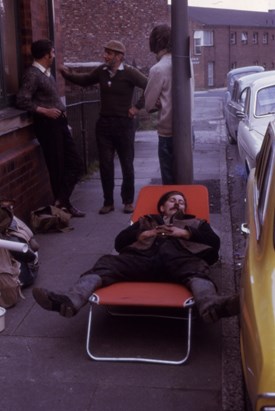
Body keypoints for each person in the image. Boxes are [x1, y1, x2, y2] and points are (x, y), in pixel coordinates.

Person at [32, 190, 239, 323]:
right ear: (162, 207)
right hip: (141, 259)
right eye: (172, 201)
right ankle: (71, 300)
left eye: (181, 202)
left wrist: (185, 233)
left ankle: (211, 306)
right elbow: (119, 243)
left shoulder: (196, 223)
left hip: (181, 260)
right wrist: (142, 234)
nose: (178, 204)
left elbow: (215, 244)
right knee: (106, 263)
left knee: (198, 272)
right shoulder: (146, 221)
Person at [59, 40, 147, 215]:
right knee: (105, 165)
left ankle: (128, 201)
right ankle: (108, 202)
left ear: (119, 56)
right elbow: (84, 80)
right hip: (104, 125)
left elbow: (150, 86)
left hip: (124, 124)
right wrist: (66, 74)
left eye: (109, 53)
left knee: (127, 164)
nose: (104, 56)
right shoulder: (101, 71)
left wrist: (137, 107)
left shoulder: (130, 73)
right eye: (105, 52)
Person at [16, 39, 85, 218]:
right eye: (53, 53)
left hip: (59, 123)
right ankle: (63, 206)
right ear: (47, 54)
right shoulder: (32, 74)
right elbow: (22, 99)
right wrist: (44, 111)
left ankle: (61, 201)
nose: (54, 56)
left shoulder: (47, 74)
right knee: (57, 166)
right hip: (47, 126)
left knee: (76, 164)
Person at [145, 24, 174, 184]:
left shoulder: (158, 69)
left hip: (167, 134)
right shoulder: (186, 63)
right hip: (187, 132)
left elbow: (149, 105)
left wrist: (158, 102)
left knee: (169, 184)